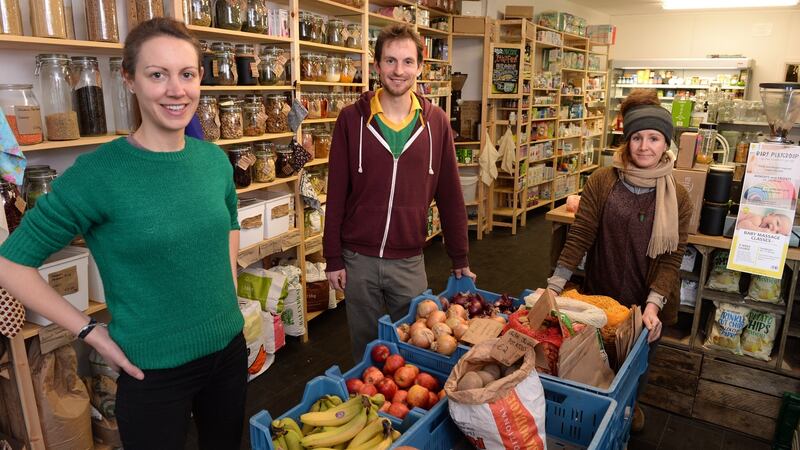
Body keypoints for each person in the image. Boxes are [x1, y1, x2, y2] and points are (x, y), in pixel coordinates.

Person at [0, 18, 246, 450]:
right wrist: (90, 332)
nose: (176, 89)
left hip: (228, 351)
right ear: (129, 79)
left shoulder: (213, 160)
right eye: (157, 75)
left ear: (199, 79)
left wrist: (226, 294)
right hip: (150, 372)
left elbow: (228, 222)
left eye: (186, 74)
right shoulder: (99, 174)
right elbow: (11, 264)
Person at [323, 24, 475, 361]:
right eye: (390, 61)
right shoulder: (351, 120)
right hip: (357, 260)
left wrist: (459, 255)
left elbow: (450, 195)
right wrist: (333, 256)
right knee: (365, 350)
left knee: (416, 347)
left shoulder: (436, 123)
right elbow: (336, 195)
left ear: (420, 67)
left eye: (408, 62)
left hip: (408, 261)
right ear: (376, 66)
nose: (399, 71)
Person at [546, 89, 693, 432]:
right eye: (637, 137)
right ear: (626, 140)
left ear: (666, 143)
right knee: (595, 361)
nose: (645, 146)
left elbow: (673, 257)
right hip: (602, 289)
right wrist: (554, 285)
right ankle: (596, 414)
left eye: (654, 138)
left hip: (648, 300)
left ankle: (630, 408)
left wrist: (654, 304)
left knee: (636, 366)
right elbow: (580, 235)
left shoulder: (678, 195)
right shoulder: (603, 180)